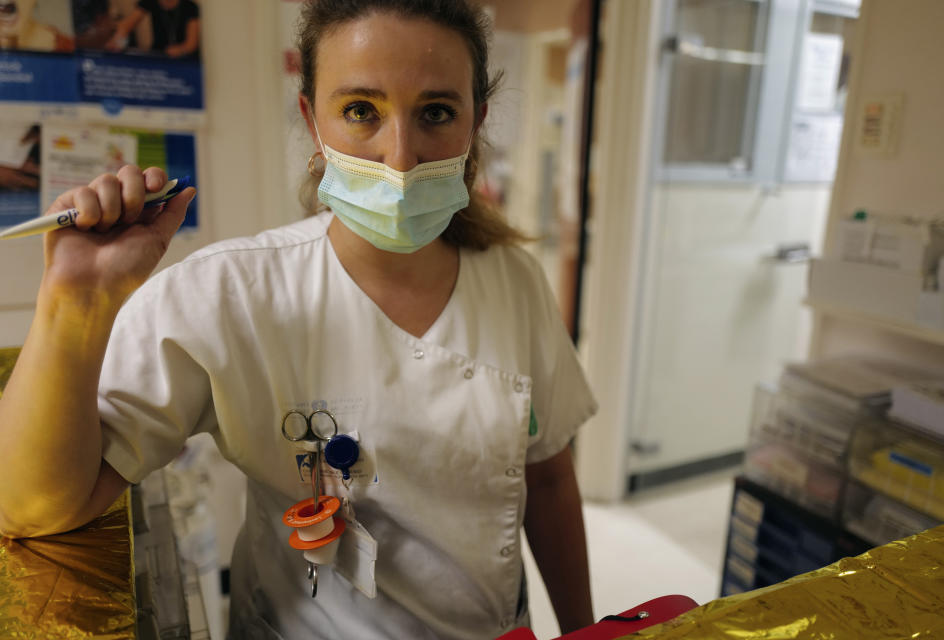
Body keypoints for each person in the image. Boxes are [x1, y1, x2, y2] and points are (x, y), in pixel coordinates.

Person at [0, 0, 597, 638]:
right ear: (313, 120)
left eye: (436, 113)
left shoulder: (514, 279)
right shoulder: (229, 294)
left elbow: (552, 479)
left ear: (475, 122)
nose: (399, 158)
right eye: (361, 111)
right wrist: (73, 300)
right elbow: (30, 507)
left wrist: (587, 631)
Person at [107, 0, 199, 58]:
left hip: (185, 59)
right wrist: (118, 42)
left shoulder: (190, 7)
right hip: (159, 54)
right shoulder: (150, 2)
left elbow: (191, 44)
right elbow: (127, 26)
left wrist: (181, 50)